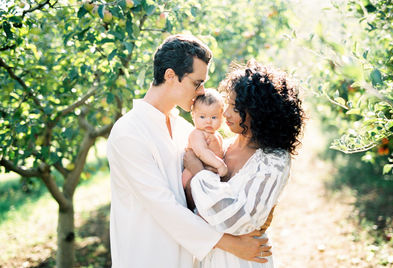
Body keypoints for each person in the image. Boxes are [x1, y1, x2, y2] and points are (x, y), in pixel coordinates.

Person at [106, 35, 271, 268]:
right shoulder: (128, 133)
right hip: (145, 258)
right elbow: (163, 206)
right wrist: (233, 244)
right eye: (196, 82)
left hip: (186, 260)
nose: (202, 91)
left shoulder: (185, 130)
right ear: (171, 76)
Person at [184, 60, 305, 268]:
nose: (226, 113)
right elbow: (188, 208)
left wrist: (198, 172)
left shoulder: (274, 160)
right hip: (207, 258)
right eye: (227, 104)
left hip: (243, 261)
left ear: (258, 112)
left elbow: (239, 221)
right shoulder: (222, 147)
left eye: (235, 107)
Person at [182, 89, 227, 193]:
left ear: (222, 118)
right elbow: (202, 152)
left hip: (207, 175)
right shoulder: (197, 134)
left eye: (214, 117)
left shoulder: (217, 136)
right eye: (202, 116)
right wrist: (220, 165)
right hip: (191, 177)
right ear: (193, 116)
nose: (208, 121)